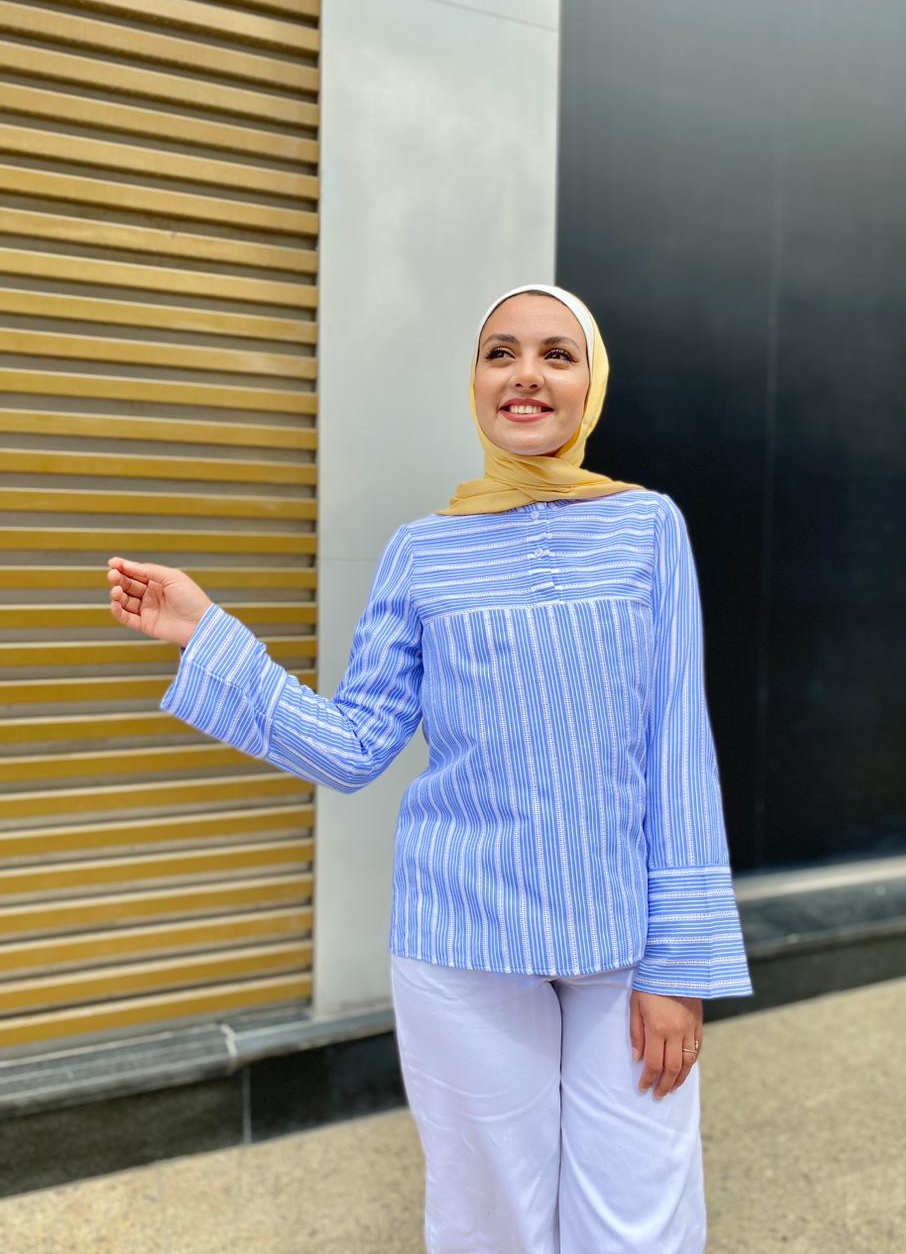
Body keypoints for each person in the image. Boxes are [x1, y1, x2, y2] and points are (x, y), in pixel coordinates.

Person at [105, 282, 753, 1253]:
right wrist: (207, 630)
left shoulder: (649, 529)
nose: (525, 374)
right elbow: (354, 742)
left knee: (640, 1209)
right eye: (500, 352)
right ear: (476, 380)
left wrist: (683, 962)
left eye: (556, 353)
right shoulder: (421, 552)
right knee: (487, 1211)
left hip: (623, 933)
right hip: (461, 936)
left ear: (592, 383)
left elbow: (679, 746)